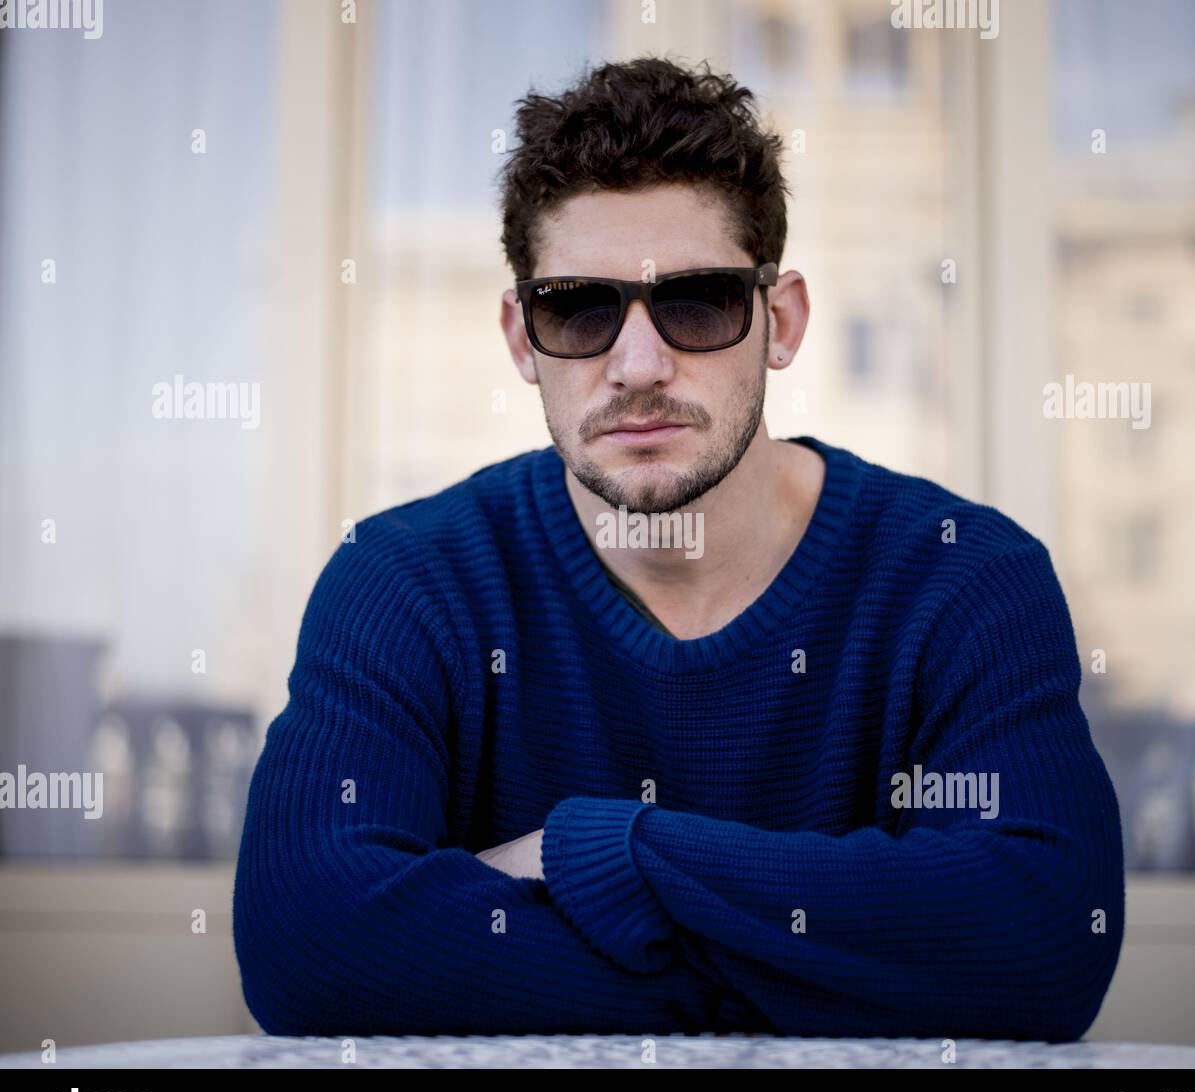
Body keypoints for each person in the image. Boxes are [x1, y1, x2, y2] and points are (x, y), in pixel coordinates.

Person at [232, 55, 1124, 1039]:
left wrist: (608, 850)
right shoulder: (404, 583)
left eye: (697, 303)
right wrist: (808, 977)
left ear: (778, 322)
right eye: (577, 308)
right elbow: (310, 947)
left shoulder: (965, 578)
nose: (640, 366)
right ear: (521, 338)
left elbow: (1043, 937)